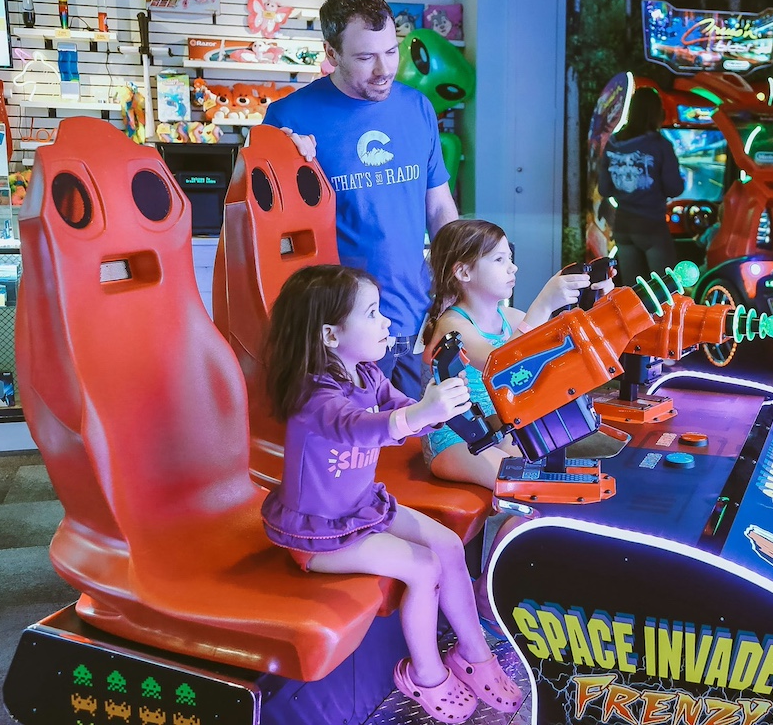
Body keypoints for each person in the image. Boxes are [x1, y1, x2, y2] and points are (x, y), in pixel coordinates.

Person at [260, 264, 522, 723]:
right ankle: (427, 675)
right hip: (322, 534)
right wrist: (421, 414)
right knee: (421, 567)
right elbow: (360, 429)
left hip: (363, 508)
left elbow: (402, 407)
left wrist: (443, 409)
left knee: (445, 542)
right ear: (330, 335)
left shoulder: (366, 374)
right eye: (373, 314)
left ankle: (474, 652)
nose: (387, 324)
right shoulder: (313, 396)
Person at [264, 0, 457, 399]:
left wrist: (453, 287)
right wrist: (276, 157)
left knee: (414, 448)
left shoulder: (417, 107)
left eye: (391, 51)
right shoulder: (289, 118)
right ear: (331, 54)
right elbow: (262, 226)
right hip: (337, 330)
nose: (385, 69)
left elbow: (438, 205)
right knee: (350, 450)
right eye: (366, 57)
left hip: (414, 318)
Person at [419, 219, 611, 489]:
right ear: (463, 272)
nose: (513, 267)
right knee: (527, 484)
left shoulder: (510, 318)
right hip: (457, 439)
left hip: (502, 427)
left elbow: (571, 345)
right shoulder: (453, 325)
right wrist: (543, 305)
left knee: (555, 470)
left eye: (510, 257)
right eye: (499, 260)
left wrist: (600, 304)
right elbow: (501, 367)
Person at [598, 87, 684, 285]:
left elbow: (604, 189)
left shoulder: (613, 143)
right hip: (651, 225)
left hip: (623, 226)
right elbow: (674, 188)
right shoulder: (660, 145)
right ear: (656, 113)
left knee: (633, 291)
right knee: (666, 288)